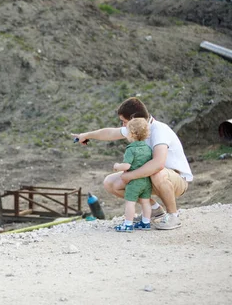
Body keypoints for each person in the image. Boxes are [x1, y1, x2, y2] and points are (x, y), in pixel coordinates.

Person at [72, 97, 193, 230]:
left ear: (134, 119)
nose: (123, 126)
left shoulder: (159, 130)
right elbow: (110, 133)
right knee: (110, 182)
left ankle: (173, 216)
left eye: (124, 122)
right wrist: (87, 135)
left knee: (156, 173)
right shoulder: (138, 129)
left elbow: (158, 163)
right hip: (151, 178)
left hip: (175, 180)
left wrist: (130, 176)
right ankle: (153, 209)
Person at [112, 118, 152, 232]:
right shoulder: (148, 148)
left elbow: (127, 166)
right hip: (146, 181)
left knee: (130, 202)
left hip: (134, 181)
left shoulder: (131, 149)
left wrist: (117, 166)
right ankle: (146, 222)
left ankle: (128, 224)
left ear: (132, 134)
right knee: (145, 202)